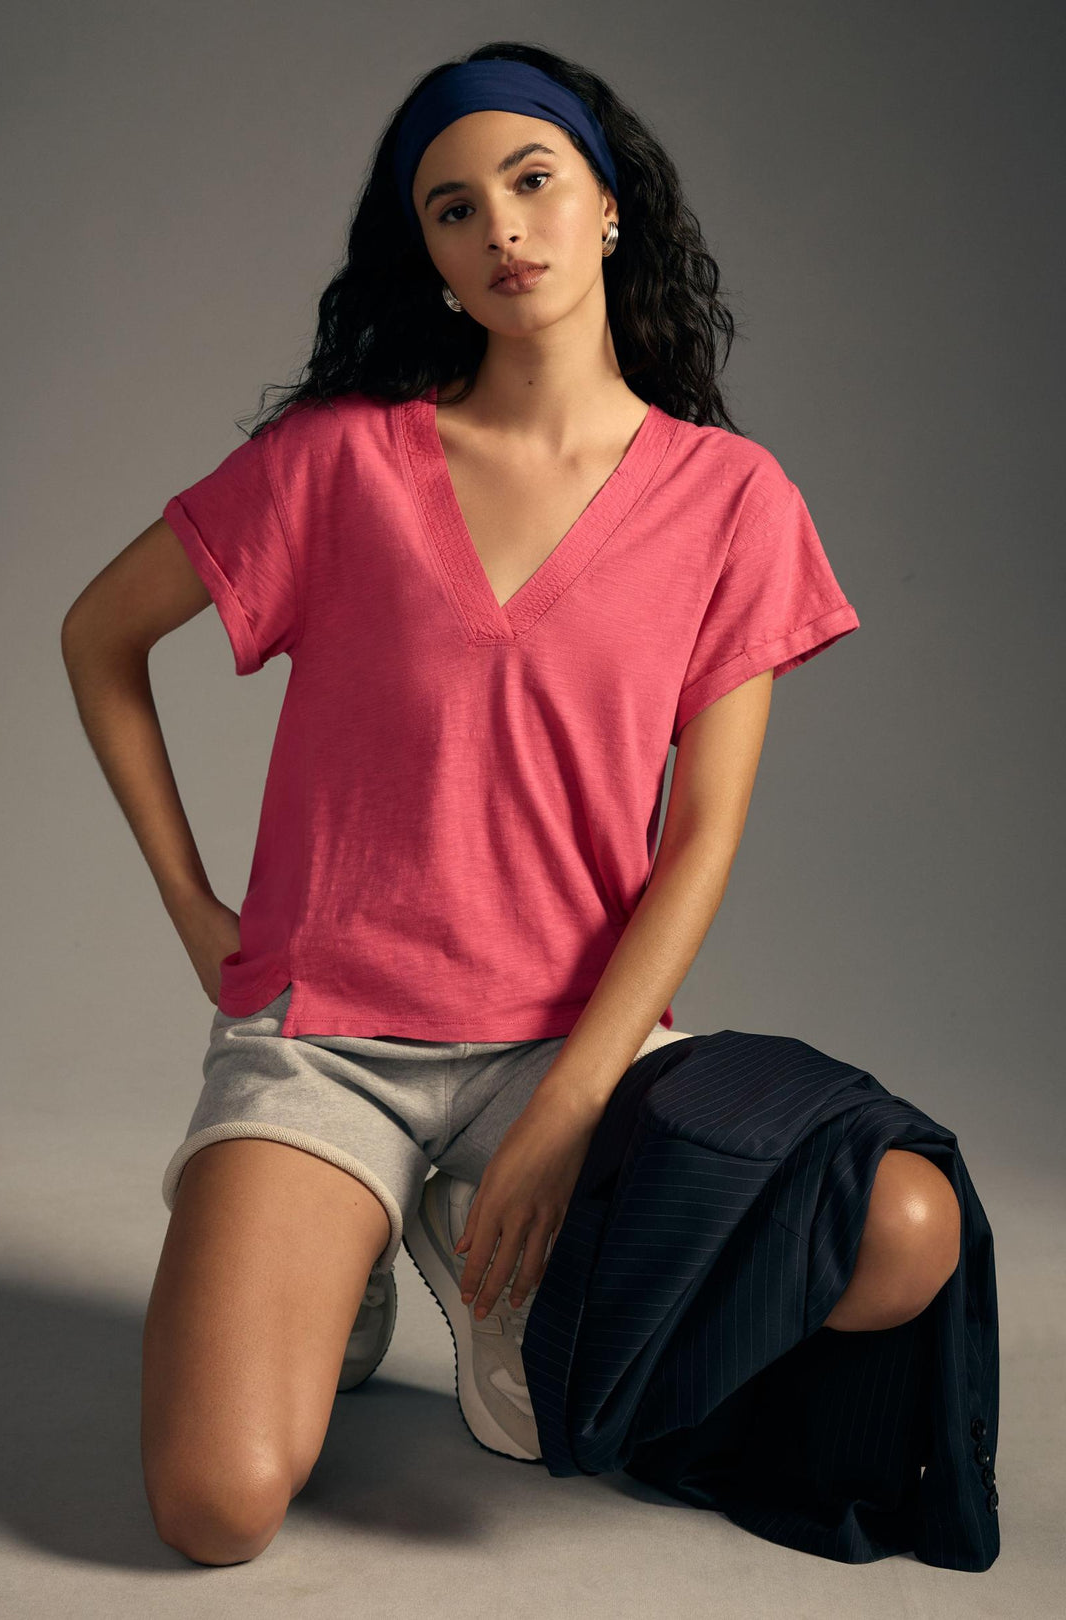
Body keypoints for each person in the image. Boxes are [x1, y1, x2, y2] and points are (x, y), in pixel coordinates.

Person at [62, 43, 956, 1569]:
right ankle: (334, 1250)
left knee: (901, 1231)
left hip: (575, 1041)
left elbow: (701, 840)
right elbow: (99, 636)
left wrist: (569, 1109)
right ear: (429, 254)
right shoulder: (336, 462)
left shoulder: (733, 499)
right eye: (454, 208)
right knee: (213, 1509)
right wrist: (194, 909)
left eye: (533, 182)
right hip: (326, 1036)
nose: (503, 230)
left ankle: (472, 1266)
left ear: (608, 204)